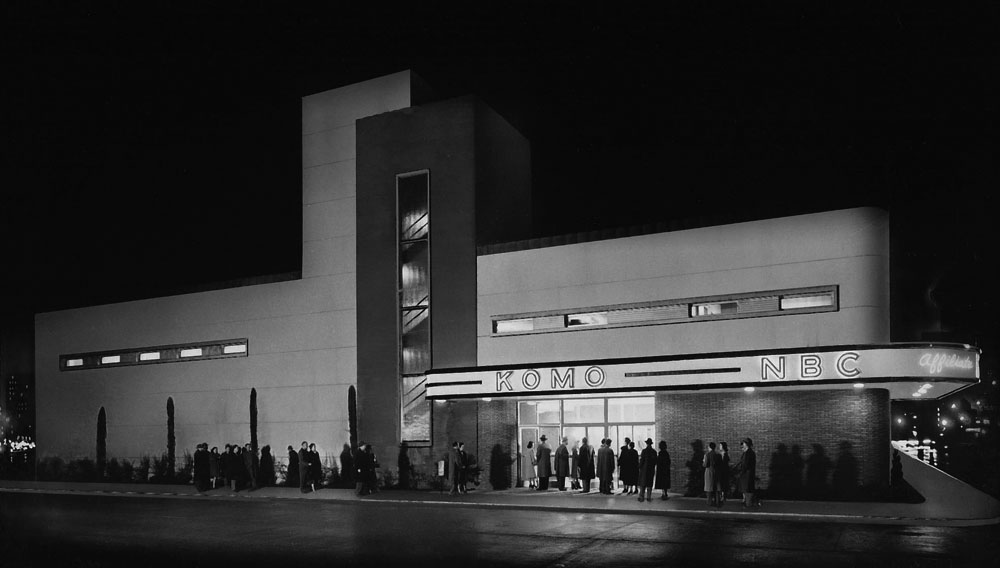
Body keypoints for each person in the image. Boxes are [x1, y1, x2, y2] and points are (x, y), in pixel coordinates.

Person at [736, 438, 758, 508]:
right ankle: (748, 502)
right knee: (746, 488)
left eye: (744, 443)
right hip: (747, 474)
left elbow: (746, 464)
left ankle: (749, 503)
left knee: (747, 488)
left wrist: (741, 472)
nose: (743, 444)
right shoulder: (747, 452)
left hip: (747, 474)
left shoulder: (749, 453)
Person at [637, 438, 657, 502]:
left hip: (644, 470)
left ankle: (641, 497)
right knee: (649, 483)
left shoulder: (644, 451)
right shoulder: (654, 452)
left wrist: (639, 466)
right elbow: (655, 462)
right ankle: (648, 497)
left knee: (643, 484)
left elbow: (642, 460)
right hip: (651, 470)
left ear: (646, 444)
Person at [703, 441, 720, 506]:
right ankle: (717, 501)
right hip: (716, 472)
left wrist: (703, 461)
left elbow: (705, 465)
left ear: (709, 447)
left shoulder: (707, 455)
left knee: (709, 488)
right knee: (716, 487)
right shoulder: (718, 455)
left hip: (709, 471)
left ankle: (709, 502)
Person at [718, 441, 731, 506]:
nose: (719, 447)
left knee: (723, 484)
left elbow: (724, 464)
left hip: (723, 472)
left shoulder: (724, 454)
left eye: (720, 445)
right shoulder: (721, 454)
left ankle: (723, 497)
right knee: (721, 484)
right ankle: (722, 496)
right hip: (721, 472)